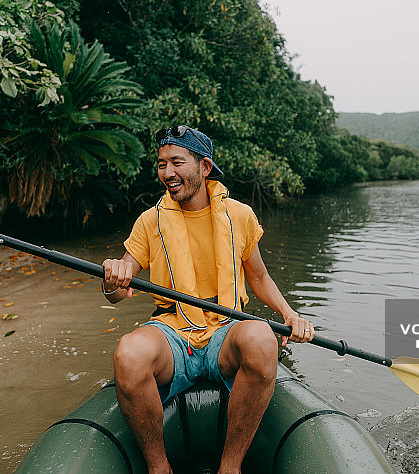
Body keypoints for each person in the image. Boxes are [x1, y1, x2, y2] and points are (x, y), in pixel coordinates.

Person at [101, 125, 315, 474]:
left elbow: (258, 277)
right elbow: (118, 292)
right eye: (161, 164)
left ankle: (230, 467)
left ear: (204, 167)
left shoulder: (240, 215)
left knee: (262, 338)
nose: (167, 173)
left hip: (225, 328)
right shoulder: (149, 220)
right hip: (172, 331)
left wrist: (290, 314)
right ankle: (159, 468)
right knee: (128, 352)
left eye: (177, 162)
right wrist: (114, 277)